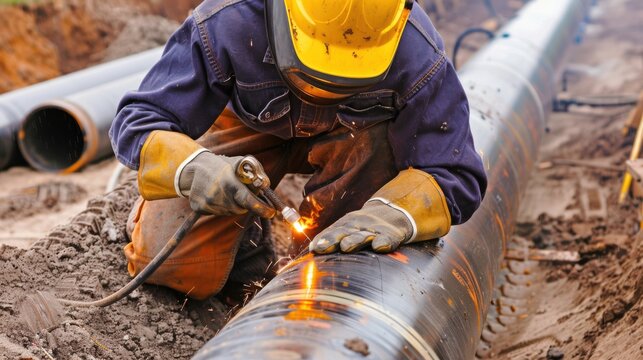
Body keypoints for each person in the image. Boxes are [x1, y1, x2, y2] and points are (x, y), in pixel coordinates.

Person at [109, 0, 487, 300]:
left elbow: (453, 170)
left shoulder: (415, 50)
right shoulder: (229, 22)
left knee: (345, 262)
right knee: (175, 268)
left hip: (355, 145)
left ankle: (312, 268)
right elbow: (138, 121)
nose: (321, 91)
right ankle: (246, 245)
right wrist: (194, 167)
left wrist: (394, 212)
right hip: (249, 129)